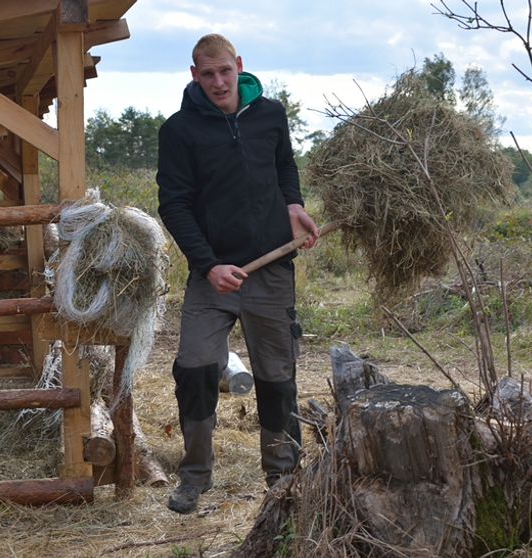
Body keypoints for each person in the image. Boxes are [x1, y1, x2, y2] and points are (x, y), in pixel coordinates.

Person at [156, 33, 319, 514]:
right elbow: (174, 204)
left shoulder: (270, 114)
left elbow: (285, 166)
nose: (219, 82)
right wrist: (208, 265)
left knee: (276, 376)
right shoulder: (179, 130)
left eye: (225, 71)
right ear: (194, 76)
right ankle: (195, 476)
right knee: (195, 367)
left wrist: (294, 205)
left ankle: (282, 478)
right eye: (208, 74)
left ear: (239, 65)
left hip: (271, 270)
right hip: (213, 277)